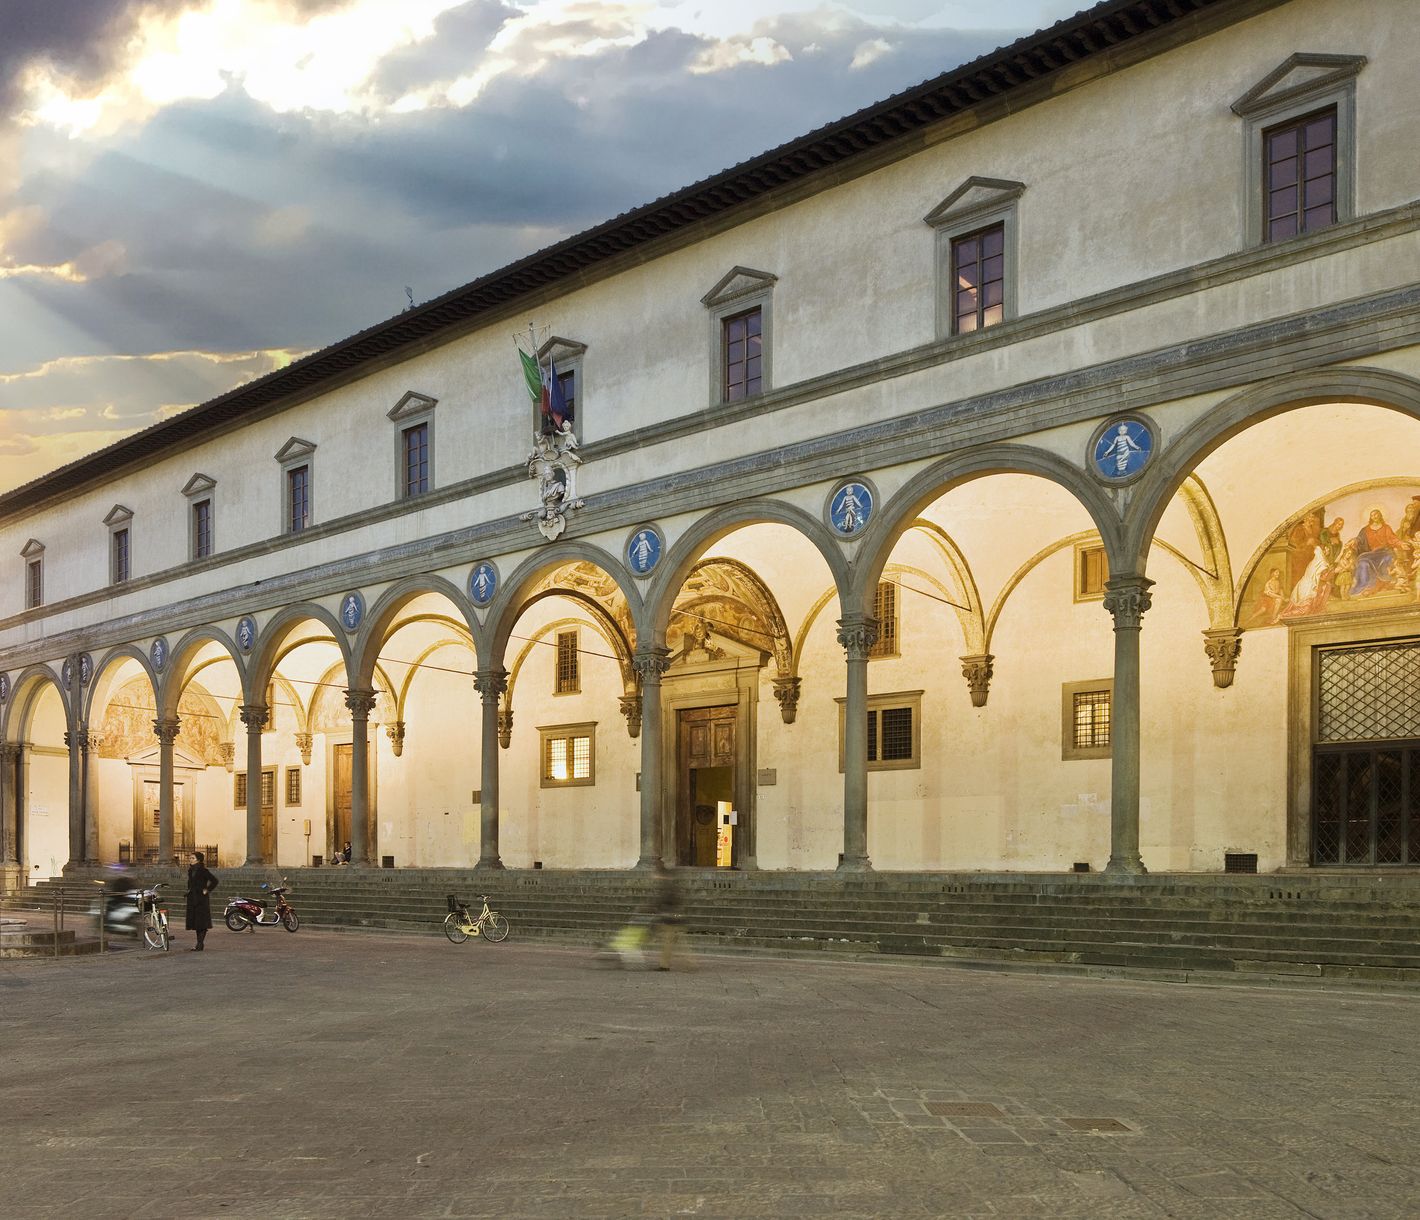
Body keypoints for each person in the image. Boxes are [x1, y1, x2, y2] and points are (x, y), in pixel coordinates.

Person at [651, 860, 683, 971]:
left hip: (670, 918)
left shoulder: (667, 885)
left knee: (669, 942)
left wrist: (653, 907)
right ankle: (690, 964)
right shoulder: (667, 884)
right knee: (674, 941)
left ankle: (665, 965)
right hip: (671, 917)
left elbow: (664, 899)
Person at [185, 851, 218, 951]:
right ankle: (199, 944)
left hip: (201, 899)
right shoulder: (191, 870)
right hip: (192, 898)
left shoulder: (203, 870)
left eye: (192, 858)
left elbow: (214, 881)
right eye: (190, 858)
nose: (190, 860)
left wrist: (207, 889)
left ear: (198, 860)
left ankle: (200, 944)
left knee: (201, 922)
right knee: (196, 922)